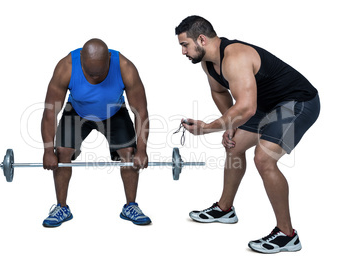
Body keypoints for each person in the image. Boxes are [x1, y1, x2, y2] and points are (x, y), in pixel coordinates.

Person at [175, 16, 320, 253]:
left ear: (201, 39)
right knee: (233, 145)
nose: (183, 51)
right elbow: (219, 91)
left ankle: (287, 234)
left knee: (264, 160)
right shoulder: (208, 63)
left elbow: (246, 108)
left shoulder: (235, 56)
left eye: (185, 45)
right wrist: (230, 126)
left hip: (298, 102)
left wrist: (208, 128)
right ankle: (224, 209)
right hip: (265, 105)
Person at [41, 38, 151, 227]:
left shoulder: (125, 67)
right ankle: (61, 207)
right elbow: (50, 112)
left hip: (114, 111)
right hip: (77, 111)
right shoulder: (66, 66)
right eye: (89, 73)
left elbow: (140, 112)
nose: (94, 78)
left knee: (129, 153)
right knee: (62, 152)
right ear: (81, 59)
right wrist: (47, 151)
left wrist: (142, 150)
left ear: (109, 59)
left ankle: (130, 206)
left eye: (99, 74)